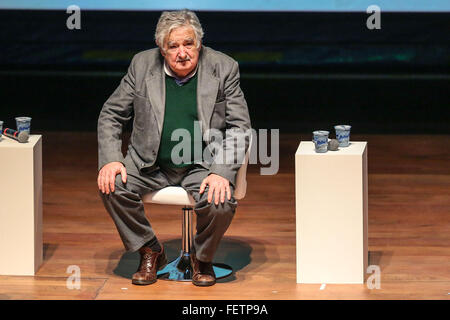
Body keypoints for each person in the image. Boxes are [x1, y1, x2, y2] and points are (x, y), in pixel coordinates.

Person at [97, 9, 251, 287]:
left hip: (202, 165)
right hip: (148, 162)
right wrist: (110, 159)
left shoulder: (224, 67)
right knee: (111, 184)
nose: (182, 52)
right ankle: (150, 250)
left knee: (221, 201)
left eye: (189, 44)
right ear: (161, 48)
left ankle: (202, 257)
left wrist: (221, 172)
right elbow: (111, 114)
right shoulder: (142, 65)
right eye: (174, 46)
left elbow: (240, 127)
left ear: (199, 44)